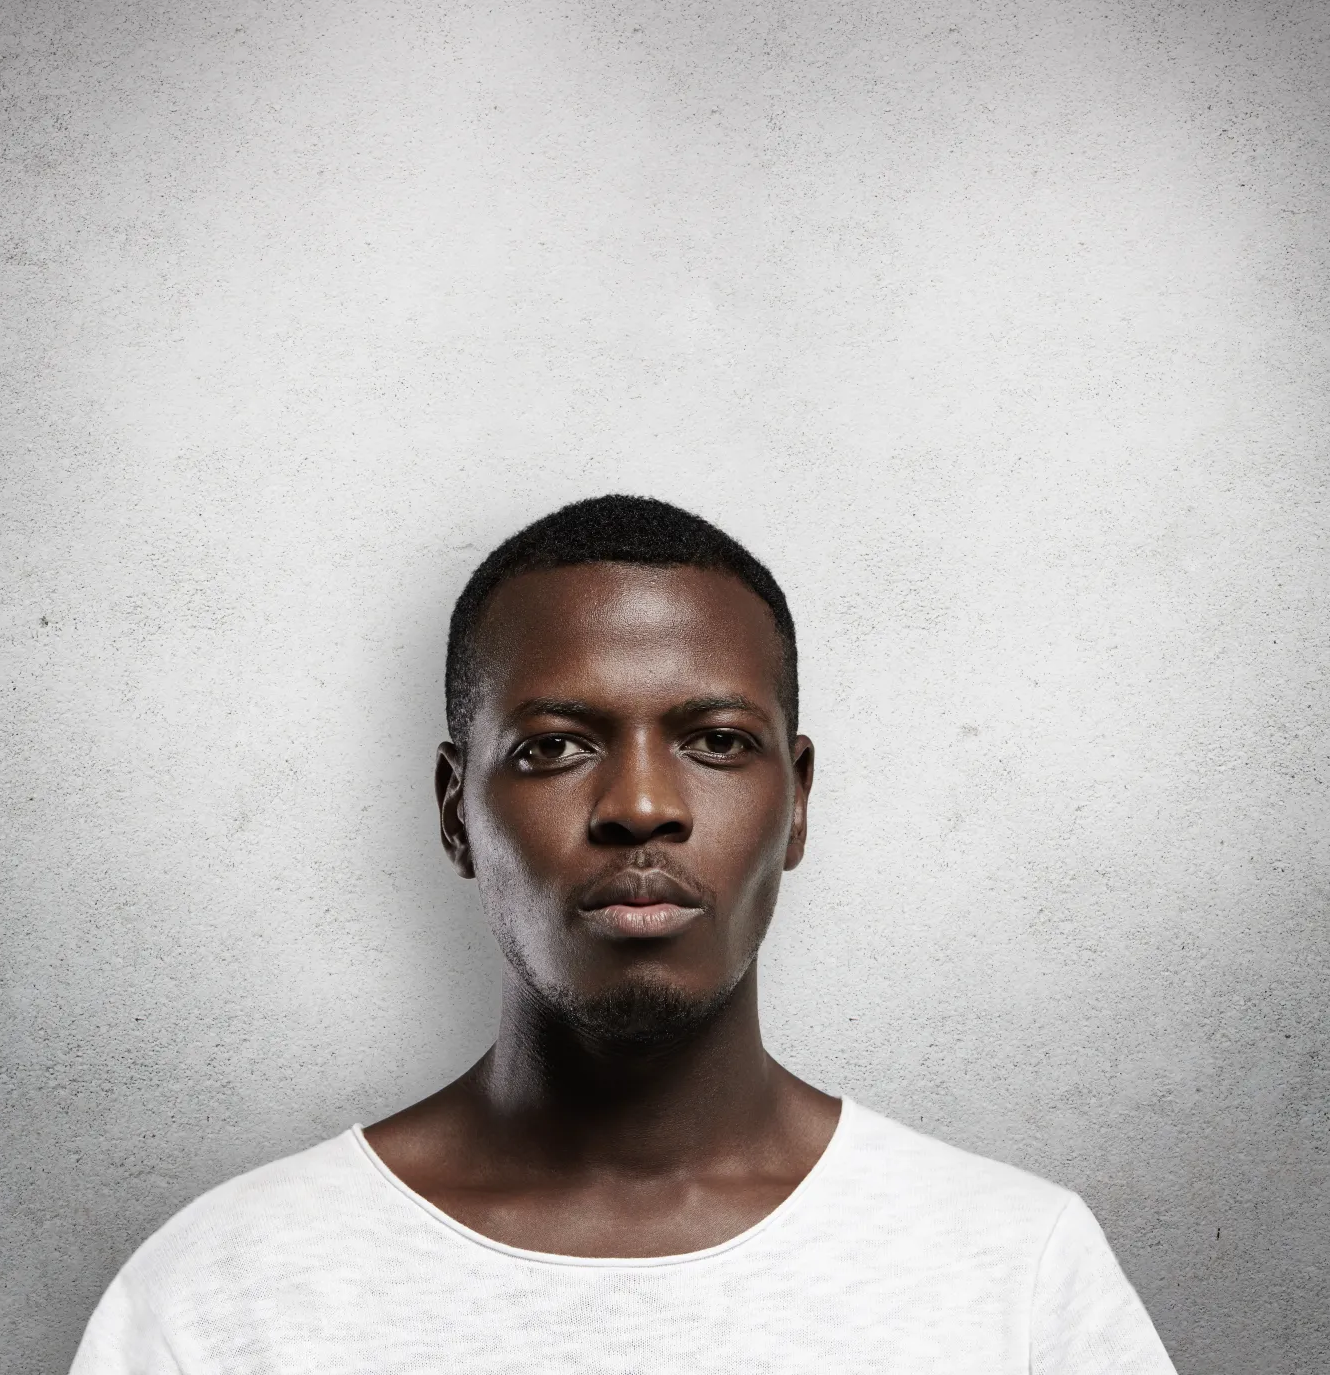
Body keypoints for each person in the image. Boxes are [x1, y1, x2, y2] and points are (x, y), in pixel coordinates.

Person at [70, 495, 1177, 1373]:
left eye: (715, 740)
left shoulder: (1015, 1274)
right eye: (554, 746)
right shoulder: (223, 1293)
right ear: (458, 812)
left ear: (796, 802)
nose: (640, 803)